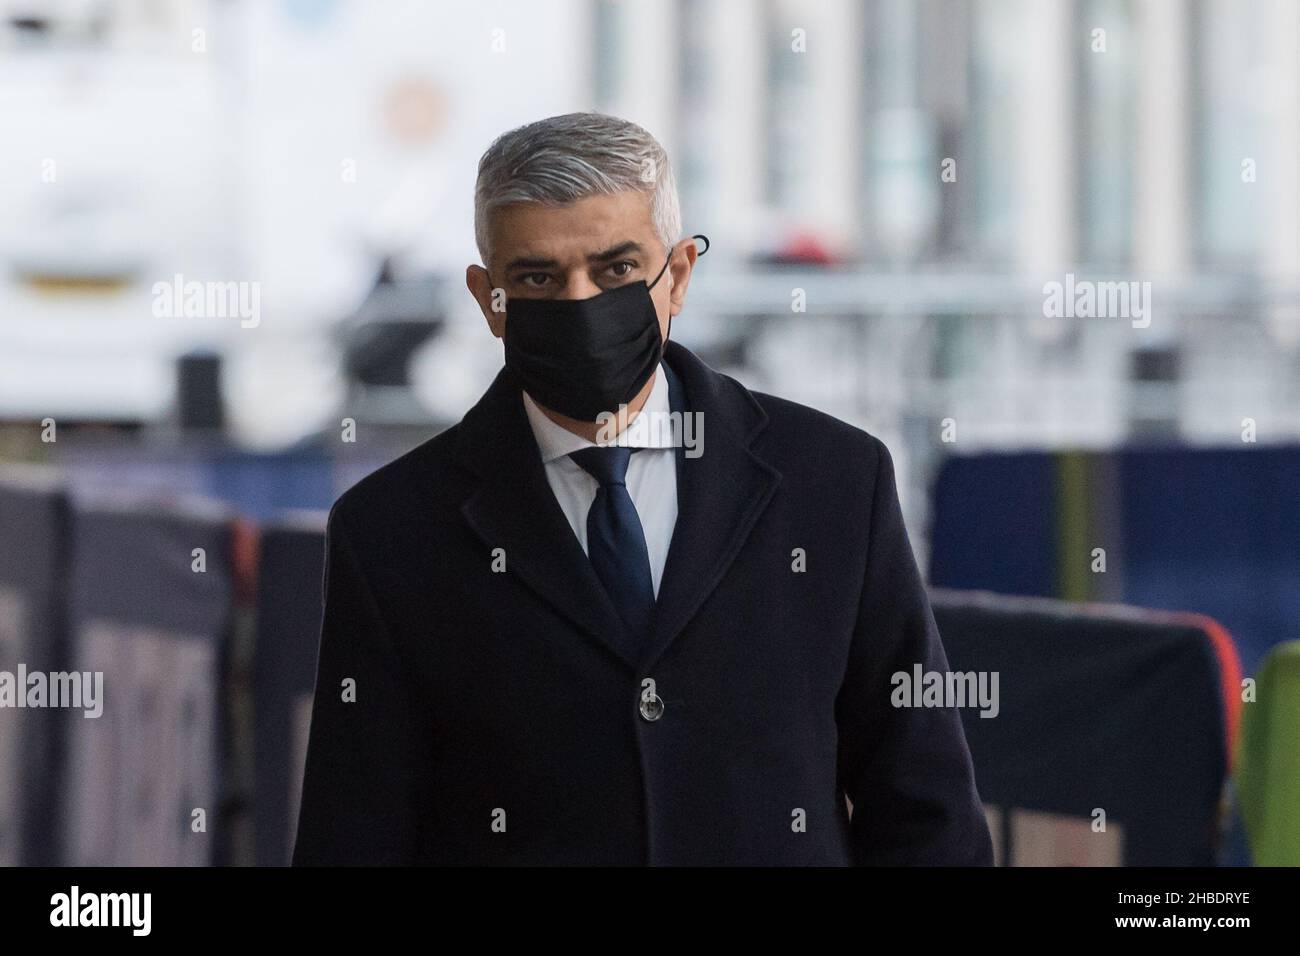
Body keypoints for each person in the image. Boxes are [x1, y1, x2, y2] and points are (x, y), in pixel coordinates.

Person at [292, 111, 993, 865]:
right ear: (487, 297)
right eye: (537, 277)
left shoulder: (833, 483)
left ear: (680, 274)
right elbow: (354, 831)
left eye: (617, 269)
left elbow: (924, 803)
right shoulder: (393, 531)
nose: (580, 302)